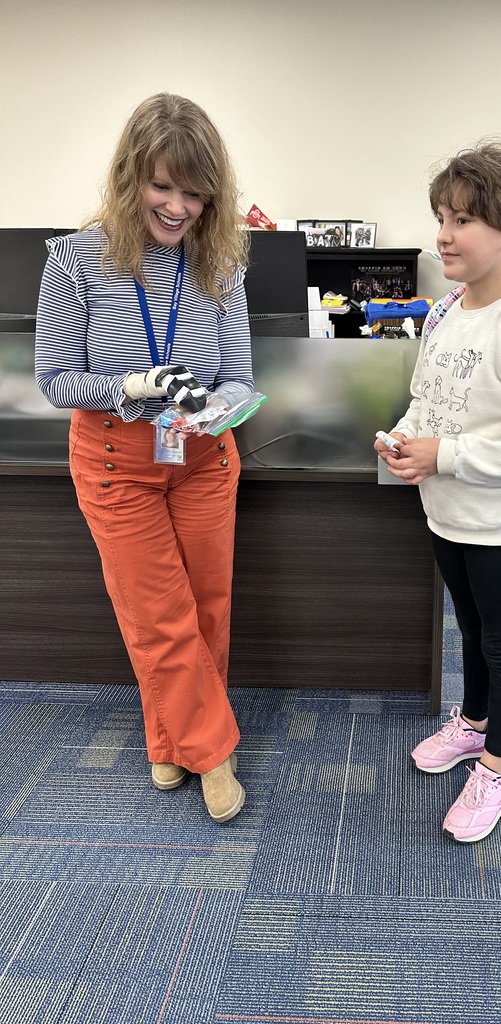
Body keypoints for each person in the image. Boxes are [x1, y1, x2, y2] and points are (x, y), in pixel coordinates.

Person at [35, 93, 254, 823]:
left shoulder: (221, 263)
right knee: (159, 615)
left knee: (206, 608)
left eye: (196, 193)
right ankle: (215, 754)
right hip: (114, 457)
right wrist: (131, 386)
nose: (179, 207)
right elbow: (56, 379)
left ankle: (172, 736)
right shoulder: (74, 261)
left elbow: (239, 374)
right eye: (164, 186)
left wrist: (218, 406)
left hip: (202, 454)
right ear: (132, 176)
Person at [375, 141, 501, 843]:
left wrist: (447, 454)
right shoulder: (443, 315)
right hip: (448, 516)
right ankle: (473, 722)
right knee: (469, 631)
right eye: (441, 217)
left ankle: (498, 767)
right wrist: (404, 438)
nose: (443, 235)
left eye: (462, 220)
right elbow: (424, 401)